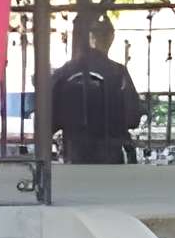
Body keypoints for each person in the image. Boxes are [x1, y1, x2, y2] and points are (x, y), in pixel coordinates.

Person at [50, 14, 146, 166]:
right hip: (109, 153)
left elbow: (50, 118)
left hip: (75, 152)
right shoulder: (117, 72)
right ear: (111, 38)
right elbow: (132, 116)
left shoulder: (65, 72)